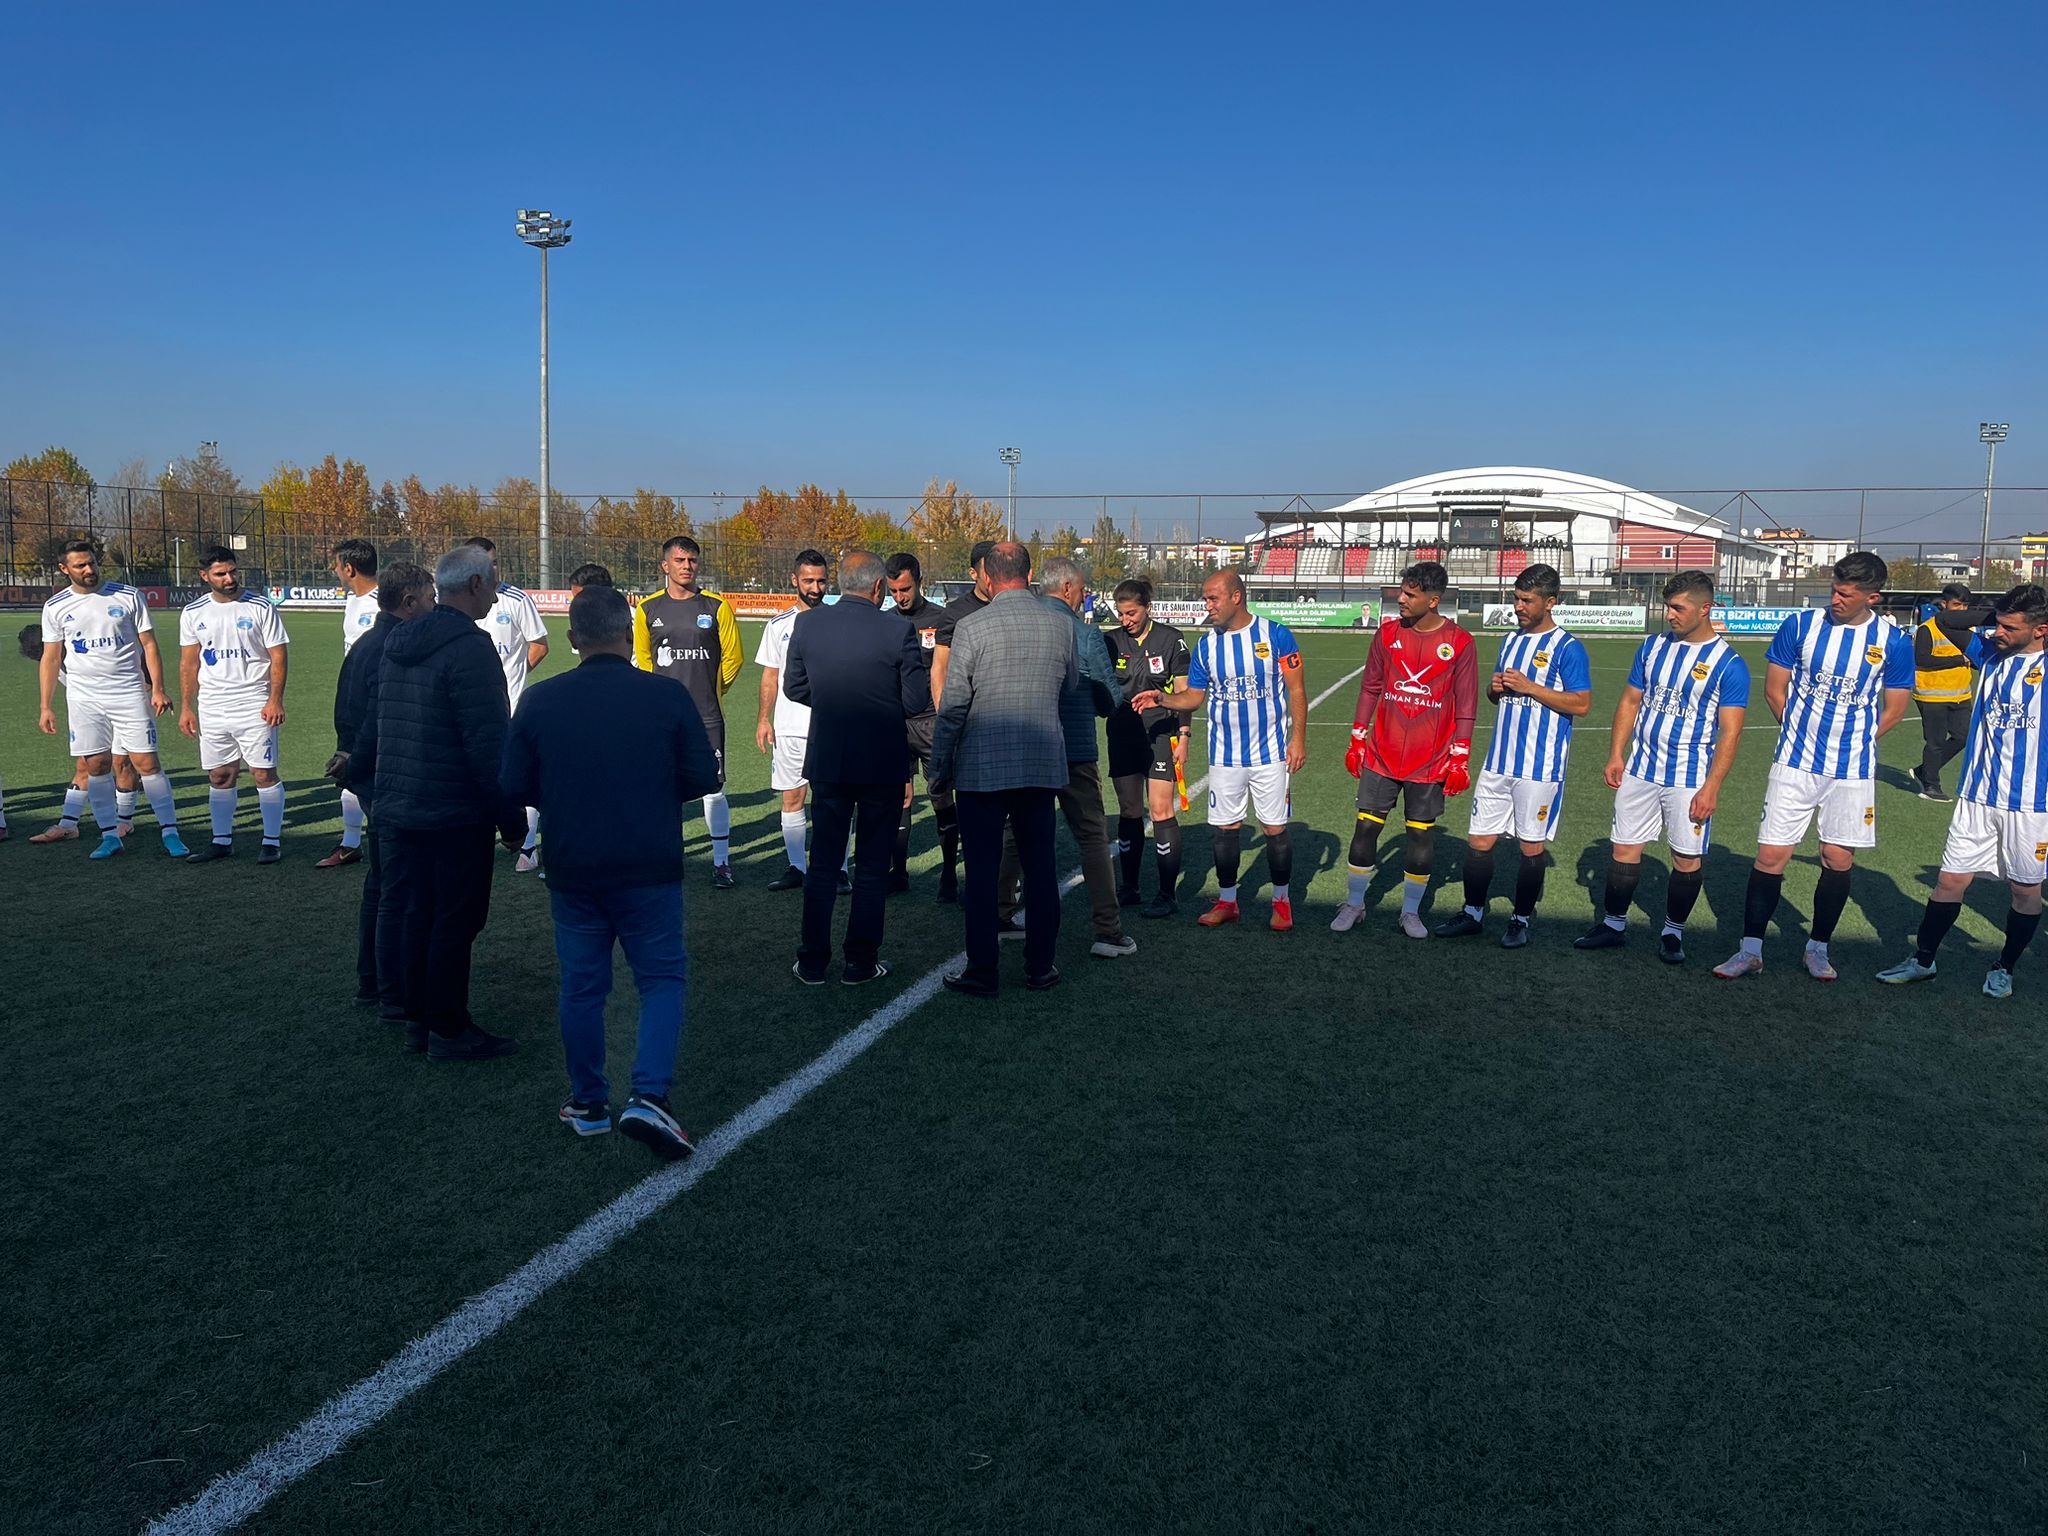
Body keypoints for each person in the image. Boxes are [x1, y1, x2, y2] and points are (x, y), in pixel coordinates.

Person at [503, 585, 721, 1158]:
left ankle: (589, 1102)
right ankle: (648, 1094)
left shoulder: (540, 700)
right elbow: (703, 779)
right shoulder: (666, 697)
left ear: (573, 639)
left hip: (574, 864)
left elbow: (515, 786)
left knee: (582, 986)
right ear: (631, 634)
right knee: (662, 980)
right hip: (649, 861)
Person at [357, 544, 528, 1061]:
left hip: (398, 805)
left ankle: (417, 1020)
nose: (497, 593)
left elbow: (381, 724)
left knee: (413, 914)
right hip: (452, 812)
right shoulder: (471, 649)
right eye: (494, 581)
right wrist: (512, 821)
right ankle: (448, 1030)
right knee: (455, 921)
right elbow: (488, 745)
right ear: (475, 586)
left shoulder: (396, 641)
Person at [1714, 550, 1915, 981]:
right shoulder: (1801, 625)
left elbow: (1895, 708)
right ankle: (1750, 950)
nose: (1835, 599)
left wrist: (1858, 740)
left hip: (1853, 770)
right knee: (1771, 856)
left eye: (1845, 594)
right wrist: (1799, 733)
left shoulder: (1893, 642)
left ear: (1873, 598)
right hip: (1795, 762)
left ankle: (1818, 948)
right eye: (1834, 590)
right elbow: (1774, 689)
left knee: (1836, 858)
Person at [1877, 584, 2048, 998]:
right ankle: (1923, 960)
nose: (1998, 631)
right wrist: (1996, 614)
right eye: (1998, 624)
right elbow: (1945, 620)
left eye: (2010, 626)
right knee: (1949, 881)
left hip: (2030, 803)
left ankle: (2004, 967)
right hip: (1975, 796)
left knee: (2026, 891)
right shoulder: (1989, 654)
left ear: (2041, 629)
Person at [1574, 570, 1750, 964]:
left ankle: (1673, 933)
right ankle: (1614, 924)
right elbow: (1630, 701)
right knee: (1624, 848)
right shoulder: (1653, 647)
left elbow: (1731, 732)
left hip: (1689, 777)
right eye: (1667, 606)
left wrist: (1712, 787)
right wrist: (1617, 753)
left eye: (1678, 607)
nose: (1669, 614)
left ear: (1705, 609)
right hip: (1640, 769)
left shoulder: (1729, 664)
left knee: (1686, 858)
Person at [930, 542, 1078, 996]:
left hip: (982, 769)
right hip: (1039, 763)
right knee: (1040, 868)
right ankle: (1040, 967)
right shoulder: (1062, 626)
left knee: (981, 872)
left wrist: (939, 765)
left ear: (987, 579)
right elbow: (1070, 686)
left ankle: (983, 969)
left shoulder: (971, 627)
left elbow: (953, 706)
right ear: (1029, 573)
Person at [783, 551, 931, 984]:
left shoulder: (809, 623)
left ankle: (812, 961)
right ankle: (860, 962)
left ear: (840, 583)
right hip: (881, 762)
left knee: (824, 862)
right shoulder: (897, 628)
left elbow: (795, 687)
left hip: (829, 758)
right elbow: (914, 700)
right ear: (879, 588)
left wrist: (834, 704)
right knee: (870, 867)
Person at [1131, 569, 1307, 932]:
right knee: (1226, 830)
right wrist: (1162, 697)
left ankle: (1282, 902)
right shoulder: (1208, 645)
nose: (1206, 605)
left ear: (1236, 596)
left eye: (1213, 598)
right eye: (1205, 598)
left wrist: (1298, 740)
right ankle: (1228, 902)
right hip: (1225, 755)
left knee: (1274, 828)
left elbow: (1297, 691)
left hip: (1270, 753)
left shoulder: (1275, 635)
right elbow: (1195, 696)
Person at [1436, 564, 1592, 947]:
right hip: (1499, 761)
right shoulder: (1510, 640)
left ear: (1550, 602)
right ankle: (1473, 914)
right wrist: (1495, 689)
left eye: (1527, 600)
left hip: (1540, 767)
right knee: (1479, 842)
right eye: (1516, 598)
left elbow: (1582, 703)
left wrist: (1530, 687)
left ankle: (1521, 920)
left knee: (1530, 845)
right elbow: (1498, 694)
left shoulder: (1569, 648)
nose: (1518, 606)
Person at [992, 557, 1134, 959]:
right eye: (1084, 588)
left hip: (1027, 746)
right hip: (1073, 749)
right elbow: (1109, 700)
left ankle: (1001, 912)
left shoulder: (1023, 626)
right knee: (1091, 835)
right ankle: (1108, 930)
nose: (1085, 595)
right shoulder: (1084, 633)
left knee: (1016, 834)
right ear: (1069, 588)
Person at [1333, 560, 1477, 938]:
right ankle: (1354, 903)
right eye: (1402, 590)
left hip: (1430, 761)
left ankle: (1410, 912)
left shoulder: (1460, 642)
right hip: (1382, 754)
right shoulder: (1385, 635)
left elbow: (1466, 704)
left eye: (1410, 594)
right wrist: (1357, 737)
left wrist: (1460, 755)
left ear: (1433, 600)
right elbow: (1370, 687)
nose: (1401, 598)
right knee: (1365, 828)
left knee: (1419, 836)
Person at [34, 540, 185, 859]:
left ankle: (170, 833)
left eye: (92, 563)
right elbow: (51, 658)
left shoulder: (128, 595)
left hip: (129, 692)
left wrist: (157, 687)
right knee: (96, 765)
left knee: (147, 763)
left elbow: (150, 646)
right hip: (84, 699)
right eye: (80, 566)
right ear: (65, 569)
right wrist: (46, 705)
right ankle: (109, 837)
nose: (89, 570)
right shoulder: (56, 606)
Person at [331, 562, 434, 1019]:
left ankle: (373, 982)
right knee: (399, 887)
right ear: (409, 602)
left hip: (370, 776)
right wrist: (362, 760)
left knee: (383, 882)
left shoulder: (367, 644)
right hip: (389, 779)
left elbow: (347, 714)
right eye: (429, 598)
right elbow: (377, 718)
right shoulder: (394, 646)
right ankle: (393, 992)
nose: (435, 605)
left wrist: (351, 757)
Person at [632, 534, 742, 888]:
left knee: (715, 788)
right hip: (662, 718)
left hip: (707, 716)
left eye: (692, 560)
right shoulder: (648, 609)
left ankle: (722, 863)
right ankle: (665, 857)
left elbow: (733, 658)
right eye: (679, 561)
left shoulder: (716, 607)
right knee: (662, 787)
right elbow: (644, 661)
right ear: (665, 566)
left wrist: (712, 691)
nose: (687, 567)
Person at [177, 548, 290, 863]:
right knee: (220, 775)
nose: (229, 579)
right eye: (220, 574)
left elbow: (278, 656)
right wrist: (187, 706)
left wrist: (275, 699)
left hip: (254, 701)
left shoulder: (260, 606)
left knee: (263, 773)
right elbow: (189, 664)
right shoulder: (193, 612)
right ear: (204, 576)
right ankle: (221, 841)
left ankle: (271, 842)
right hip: (212, 705)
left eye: (232, 572)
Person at [756, 549, 849, 893]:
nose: (815, 587)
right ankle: (797, 867)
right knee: (792, 799)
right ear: (794, 580)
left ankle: (839, 869)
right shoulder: (778, 625)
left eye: (821, 580)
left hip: (831, 727)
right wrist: (763, 719)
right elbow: (770, 677)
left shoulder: (839, 621)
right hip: (790, 729)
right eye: (808, 580)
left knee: (834, 800)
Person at [1103, 578, 1192, 917]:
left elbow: (1185, 692)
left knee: (1160, 810)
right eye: (1121, 613)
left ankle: (1167, 895)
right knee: (1129, 810)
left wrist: (1184, 735)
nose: (1126, 620)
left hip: (1160, 733)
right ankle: (1130, 888)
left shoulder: (1171, 639)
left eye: (1132, 613)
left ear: (1147, 608)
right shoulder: (1109, 641)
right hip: (1122, 734)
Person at [461, 536, 549, 871]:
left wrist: (515, 674)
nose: (492, 568)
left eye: (495, 561)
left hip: (509, 707)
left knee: (517, 776)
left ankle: (527, 848)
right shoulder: (454, 600)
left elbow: (539, 644)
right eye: (484, 562)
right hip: (467, 709)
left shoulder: (515, 599)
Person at [924, 539, 998, 902]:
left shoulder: (1009, 605)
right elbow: (939, 669)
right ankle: (949, 872)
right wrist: (946, 717)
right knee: (946, 801)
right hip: (959, 726)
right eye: (988, 569)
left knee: (992, 807)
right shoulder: (955, 613)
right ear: (974, 573)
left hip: (995, 726)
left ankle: (994, 880)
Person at [884, 552, 948, 894]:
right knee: (901, 798)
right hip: (897, 725)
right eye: (893, 591)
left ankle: (950, 873)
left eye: (905, 589)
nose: (900, 597)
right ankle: (898, 873)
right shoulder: (887, 622)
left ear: (919, 582)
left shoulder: (941, 619)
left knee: (940, 795)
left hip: (933, 722)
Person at [319, 537, 379, 867]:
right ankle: (351, 841)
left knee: (366, 768)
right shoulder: (355, 601)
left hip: (375, 702)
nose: (334, 571)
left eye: (336, 566)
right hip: (355, 701)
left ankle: (365, 840)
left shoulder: (382, 602)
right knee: (351, 769)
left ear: (349, 568)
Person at [1910, 582, 1978, 801]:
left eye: (1965, 606)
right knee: (1936, 741)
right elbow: (1922, 660)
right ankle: (1931, 785)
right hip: (1932, 694)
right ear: (1944, 604)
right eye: (1956, 604)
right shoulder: (1927, 629)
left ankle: (1924, 770)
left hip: (1961, 694)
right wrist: (1959, 659)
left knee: (1962, 738)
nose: (1961, 610)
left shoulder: (1970, 629)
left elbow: (1976, 658)